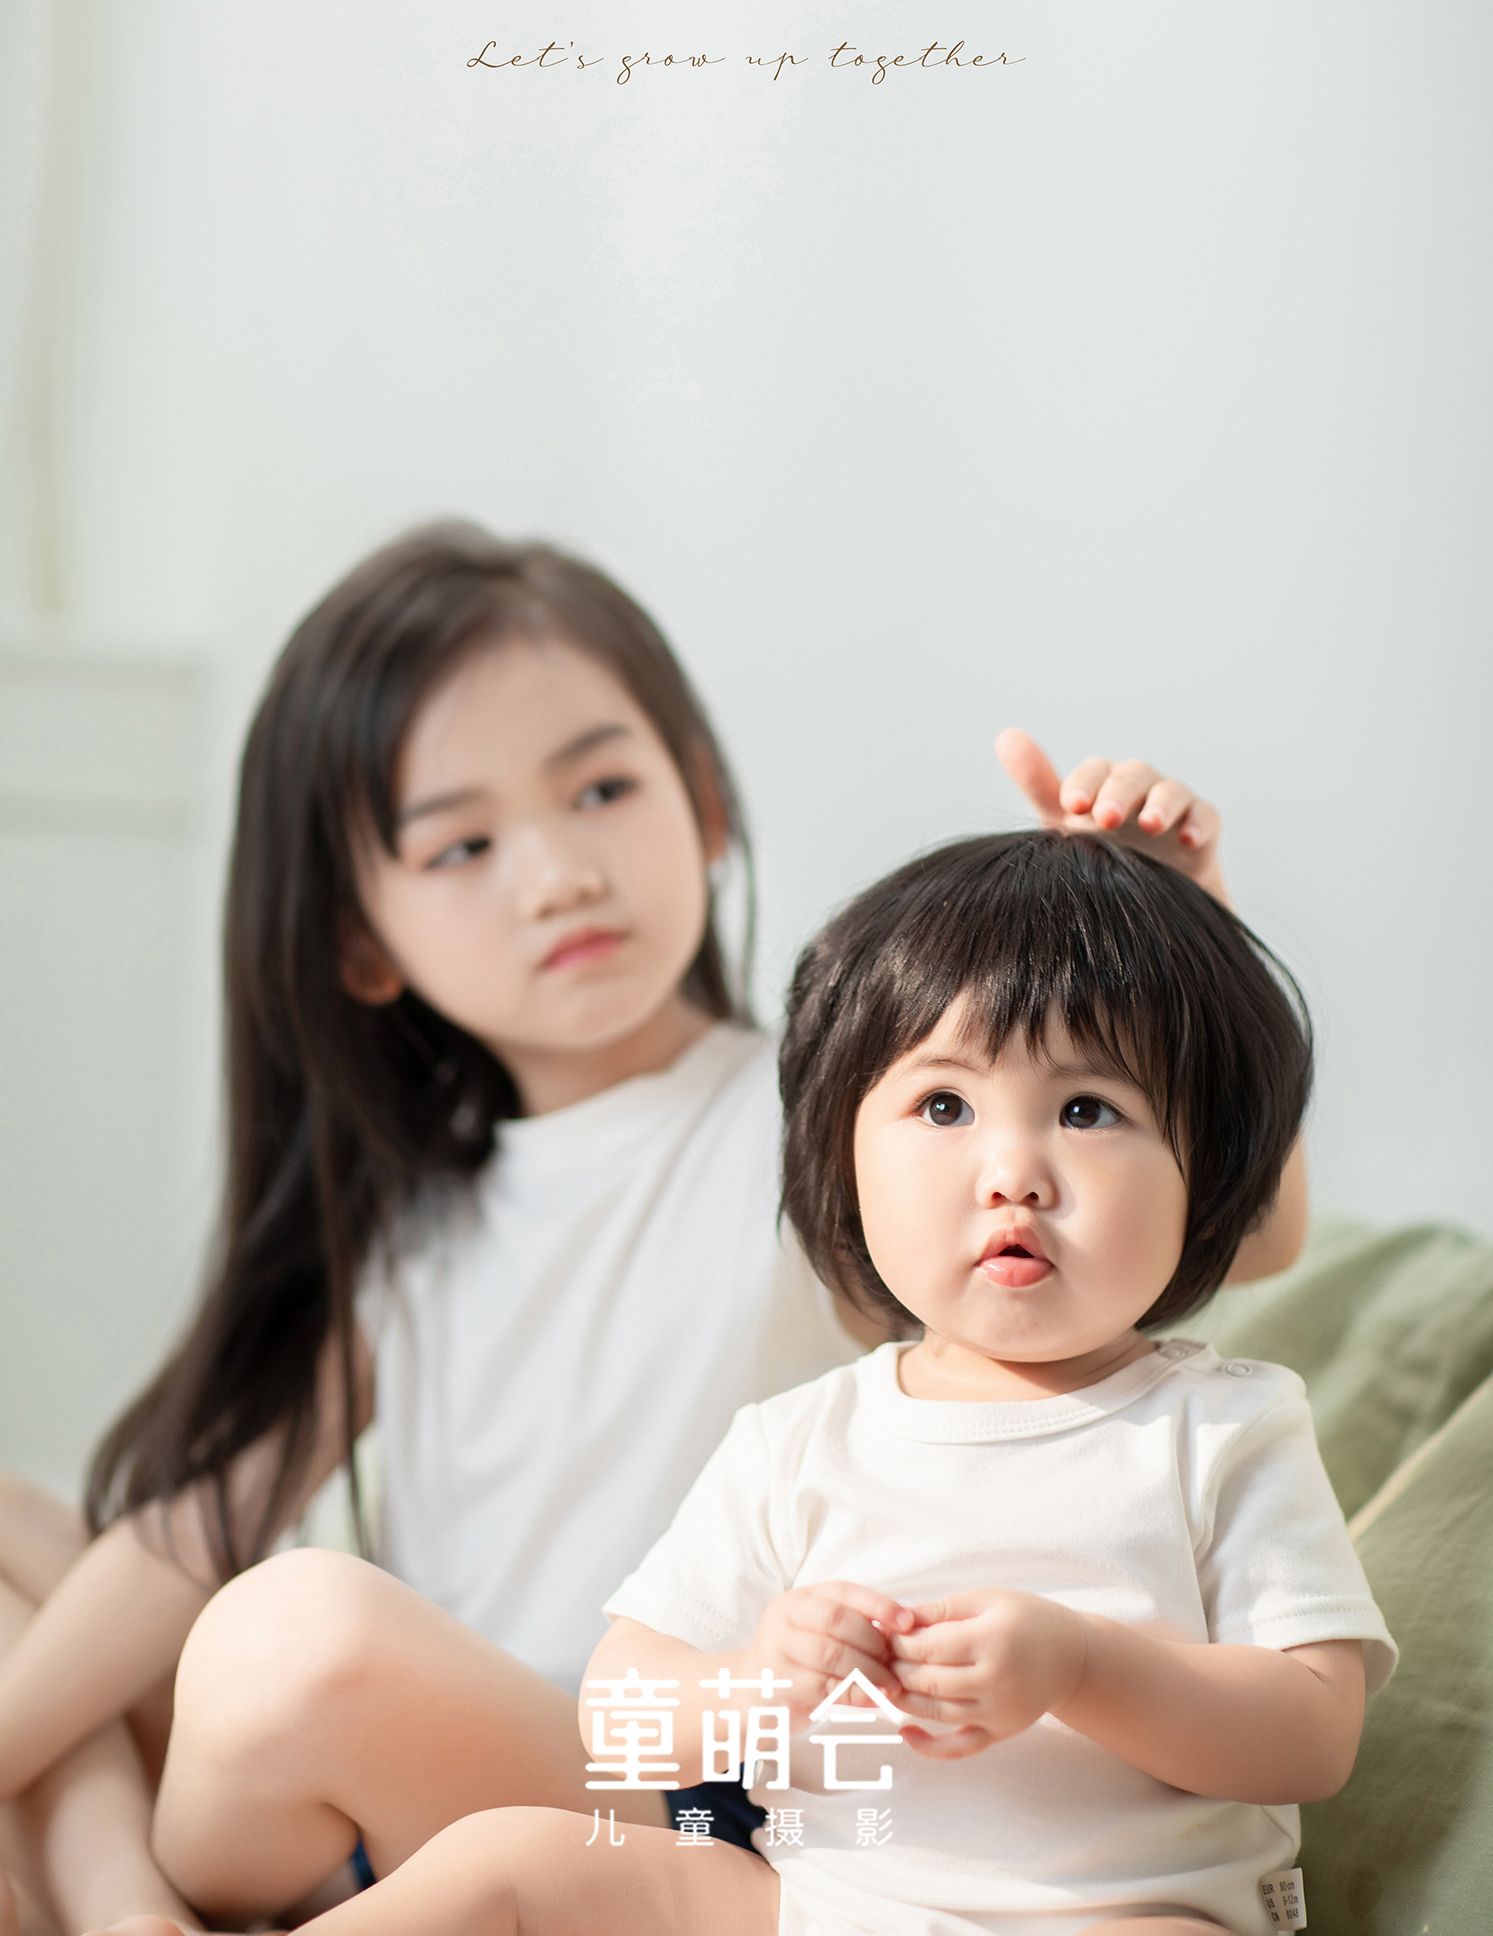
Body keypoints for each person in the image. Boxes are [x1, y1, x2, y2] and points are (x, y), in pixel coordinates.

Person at [0, 521, 1303, 1935]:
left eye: (602, 788)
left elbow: (1233, 1231)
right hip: (438, 1766)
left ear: (704, 804)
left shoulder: (834, 1120)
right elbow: (195, 1529)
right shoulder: (409, 1224)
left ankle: (104, 1883)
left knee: (289, 1629)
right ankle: (106, 1874)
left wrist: (1183, 932)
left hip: (685, 1793)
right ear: (358, 944)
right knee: (34, 1537)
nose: (559, 871)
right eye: (463, 843)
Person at [151, 828, 1387, 1936]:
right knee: (502, 1858)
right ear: (839, 1159)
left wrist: (1081, 1666)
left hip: (1109, 1912)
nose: (1012, 1169)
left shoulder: (1220, 1423)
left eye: (1086, 1107)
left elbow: (1310, 1731)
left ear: (1204, 1176)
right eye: (942, 1103)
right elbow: (619, 1706)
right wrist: (754, 1681)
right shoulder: (800, 1437)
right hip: (800, 1905)